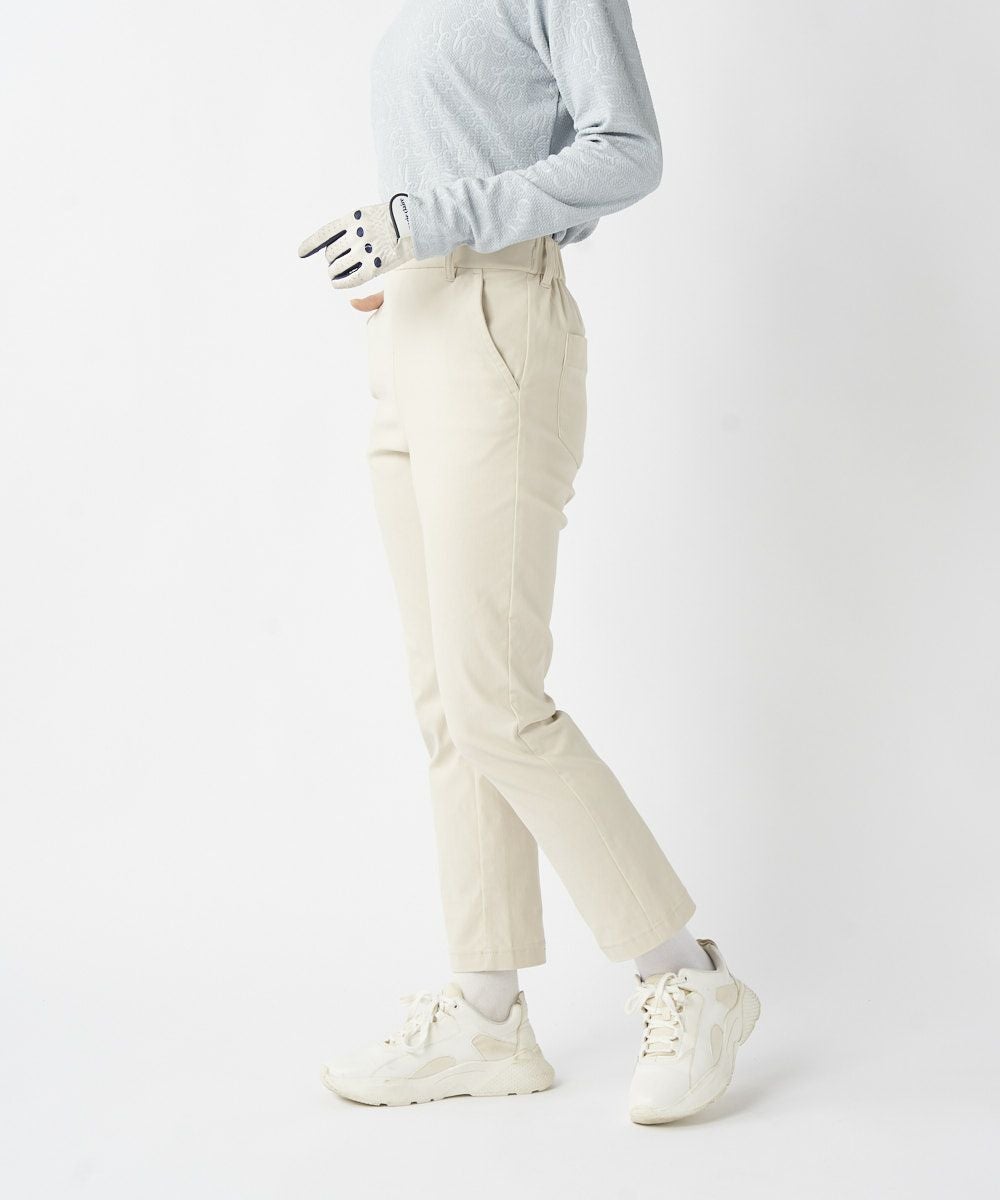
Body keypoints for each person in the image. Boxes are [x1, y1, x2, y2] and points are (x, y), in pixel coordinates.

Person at [298, 0, 758, 1124]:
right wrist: (403, 261)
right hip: (408, 326)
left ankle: (686, 977)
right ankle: (487, 1016)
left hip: (497, 319)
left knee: (496, 699)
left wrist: (432, 220)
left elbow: (626, 149)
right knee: (447, 706)